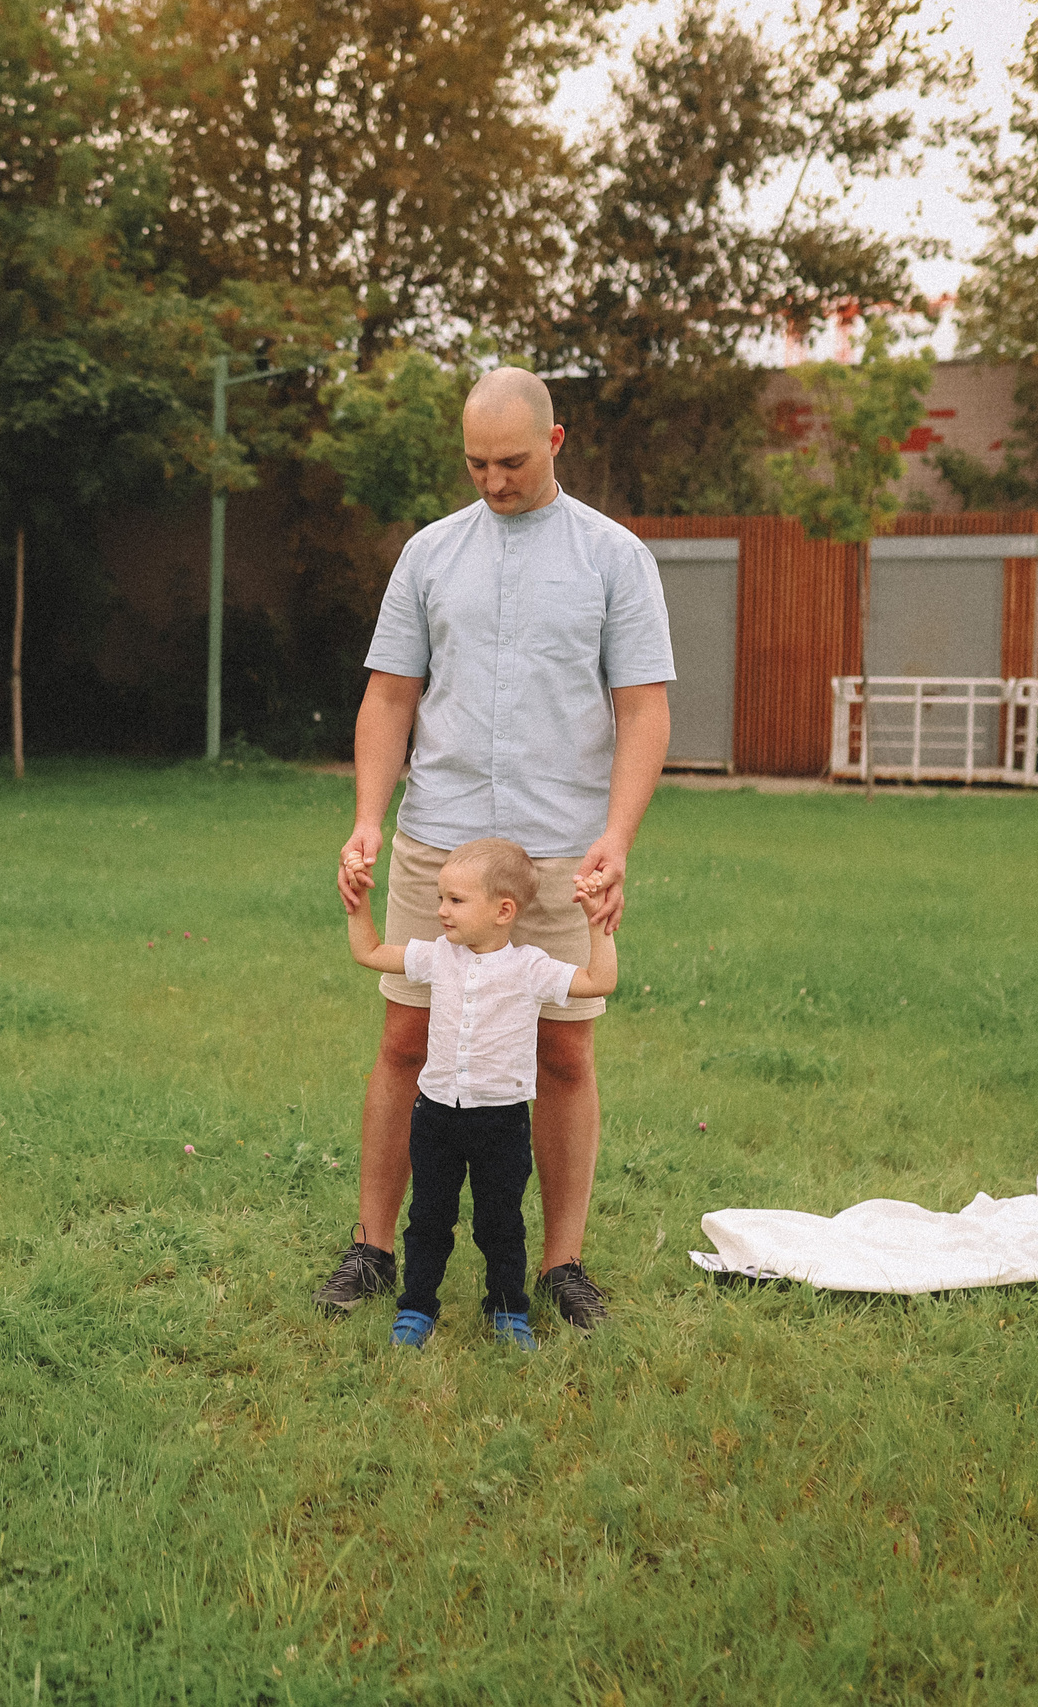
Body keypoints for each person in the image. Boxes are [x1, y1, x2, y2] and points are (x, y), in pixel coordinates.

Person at [313, 367, 673, 1331]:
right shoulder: (430, 554)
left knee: (564, 1053)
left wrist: (617, 839)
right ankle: (373, 1248)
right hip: (440, 841)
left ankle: (563, 1265)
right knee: (404, 1041)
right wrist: (368, 816)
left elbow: (643, 707)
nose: (494, 480)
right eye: (477, 463)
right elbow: (390, 695)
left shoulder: (614, 557)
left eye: (511, 461)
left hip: (560, 852)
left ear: (556, 442)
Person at [340, 837, 618, 1349]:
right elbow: (369, 952)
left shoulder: (531, 967)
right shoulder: (437, 957)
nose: (441, 910)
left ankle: (508, 1310)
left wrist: (596, 923)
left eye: (455, 900)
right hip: (435, 1117)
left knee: (501, 1225)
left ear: (503, 911)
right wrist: (357, 903)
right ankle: (417, 1307)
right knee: (428, 1219)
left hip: (501, 1123)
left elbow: (600, 981)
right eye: (440, 898)